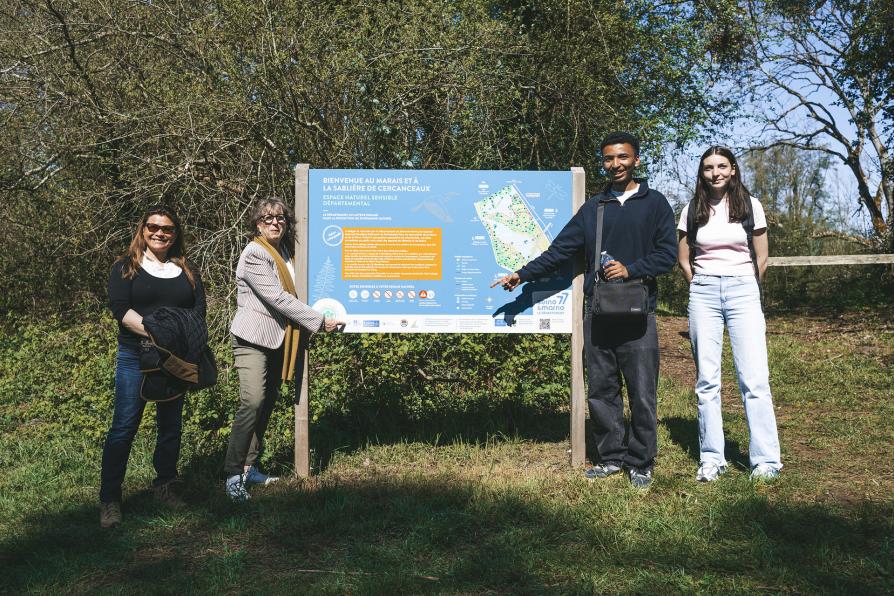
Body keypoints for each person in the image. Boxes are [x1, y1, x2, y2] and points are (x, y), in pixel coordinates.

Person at [493, 132, 677, 488]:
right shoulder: (594, 208)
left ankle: (641, 461)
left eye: (622, 157)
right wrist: (522, 274)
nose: (615, 165)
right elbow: (559, 250)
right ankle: (611, 458)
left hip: (641, 313)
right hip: (599, 312)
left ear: (636, 160)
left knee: (642, 391)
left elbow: (667, 254)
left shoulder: (655, 204)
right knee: (602, 389)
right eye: (608, 159)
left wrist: (631, 269)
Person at [224, 197, 344, 501]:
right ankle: (232, 474)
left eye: (280, 218)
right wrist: (319, 321)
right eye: (267, 218)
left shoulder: (287, 253)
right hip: (253, 338)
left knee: (266, 404)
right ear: (257, 223)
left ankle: (251, 467)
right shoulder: (255, 253)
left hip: (280, 338)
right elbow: (278, 298)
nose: (274, 223)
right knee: (252, 401)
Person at [677, 146, 782, 481]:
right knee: (707, 381)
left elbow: (761, 257)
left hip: (743, 291)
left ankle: (766, 461)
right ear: (702, 172)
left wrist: (744, 285)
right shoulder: (692, 208)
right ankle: (712, 458)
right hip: (704, 292)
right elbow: (683, 258)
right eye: (709, 167)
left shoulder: (751, 206)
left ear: (733, 170)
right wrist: (701, 285)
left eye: (722, 166)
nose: (716, 173)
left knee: (754, 380)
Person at [102, 205, 206, 527]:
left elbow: (198, 311)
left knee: (171, 427)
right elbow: (121, 310)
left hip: (174, 360)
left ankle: (164, 487)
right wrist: (160, 333)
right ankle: (109, 500)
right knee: (124, 427)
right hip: (136, 356)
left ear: (176, 234)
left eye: (167, 229)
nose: (160, 233)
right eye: (153, 227)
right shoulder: (126, 267)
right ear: (142, 229)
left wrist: (178, 342)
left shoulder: (186, 270)